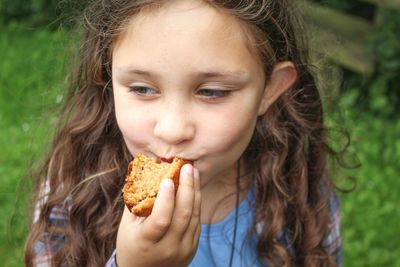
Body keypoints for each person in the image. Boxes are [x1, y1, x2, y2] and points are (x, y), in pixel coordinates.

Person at [24, 0, 343, 266]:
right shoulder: (70, 197)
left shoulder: (300, 198)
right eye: (142, 88)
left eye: (213, 92)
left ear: (269, 91)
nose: (173, 130)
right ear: (107, 77)